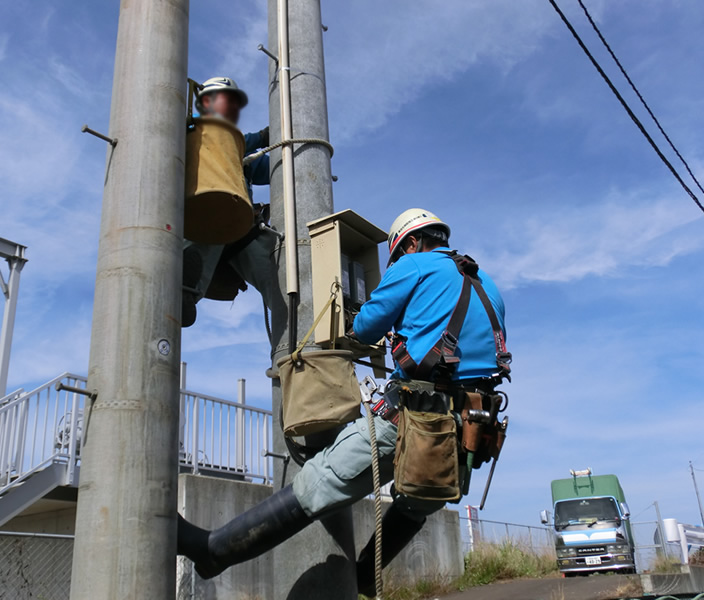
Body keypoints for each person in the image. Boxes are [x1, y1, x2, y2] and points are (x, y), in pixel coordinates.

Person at [177, 209, 509, 596]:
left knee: (322, 479)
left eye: (397, 255)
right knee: (418, 500)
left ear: (412, 243)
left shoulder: (415, 265)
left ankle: (214, 550)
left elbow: (366, 326)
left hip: (415, 417)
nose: (397, 264)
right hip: (471, 425)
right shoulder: (487, 283)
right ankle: (366, 574)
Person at [182, 76, 277, 327]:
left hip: (240, 225)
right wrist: (260, 137)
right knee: (198, 252)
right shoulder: (193, 133)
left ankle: (297, 331)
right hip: (205, 215)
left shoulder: (237, 145)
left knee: (276, 277)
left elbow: (273, 172)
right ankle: (182, 295)